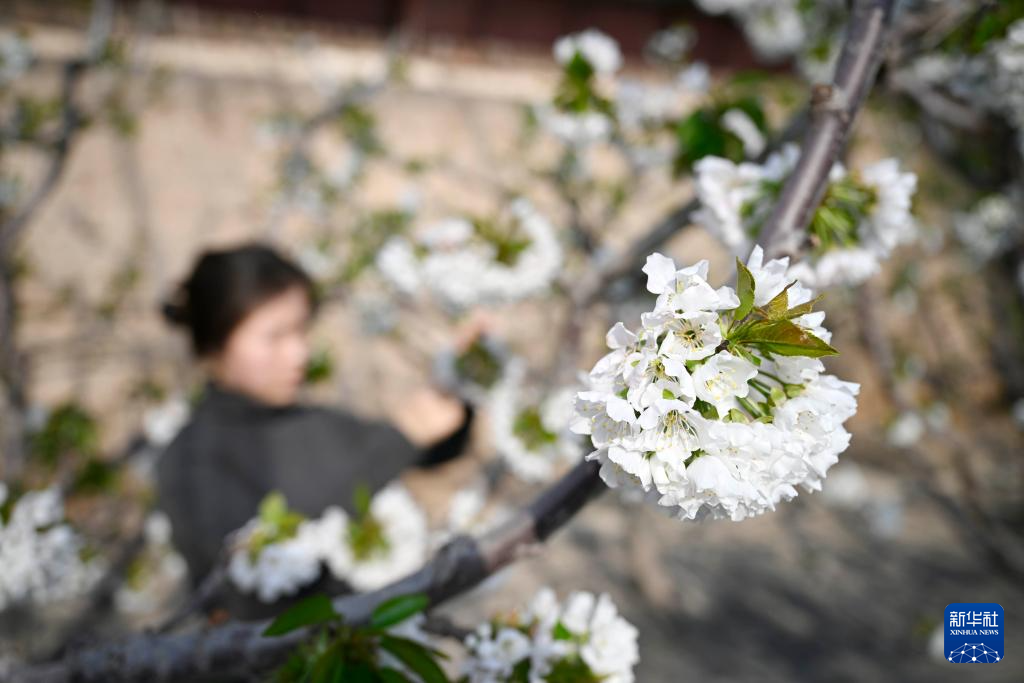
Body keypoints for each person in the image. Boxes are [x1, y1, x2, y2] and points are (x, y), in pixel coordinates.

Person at [155, 242, 473, 616]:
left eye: (302, 331)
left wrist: (456, 385)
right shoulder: (191, 460)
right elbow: (254, 580)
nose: (299, 354)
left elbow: (428, 449)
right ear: (216, 344)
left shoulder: (315, 423)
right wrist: (399, 439)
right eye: (275, 336)